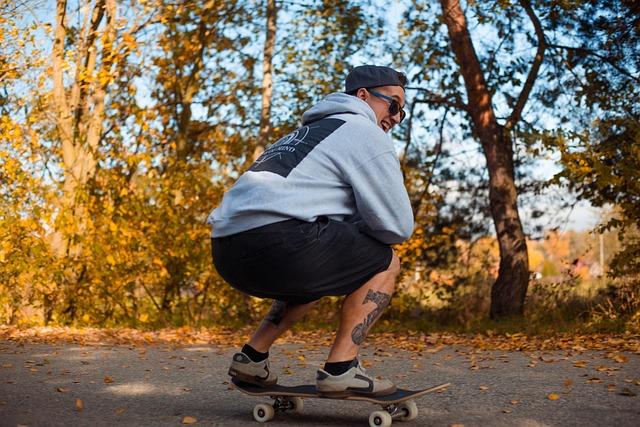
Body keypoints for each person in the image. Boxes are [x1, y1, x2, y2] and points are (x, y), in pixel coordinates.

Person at [208, 65, 413, 397]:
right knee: (385, 261)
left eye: (402, 112)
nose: (396, 117)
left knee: (323, 262)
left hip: (226, 250)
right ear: (363, 96)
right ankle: (341, 370)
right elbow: (398, 225)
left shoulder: (305, 134)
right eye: (393, 104)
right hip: (281, 243)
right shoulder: (363, 130)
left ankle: (252, 357)